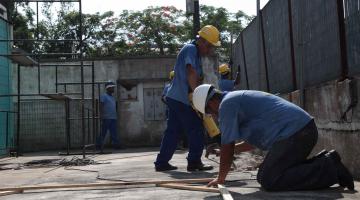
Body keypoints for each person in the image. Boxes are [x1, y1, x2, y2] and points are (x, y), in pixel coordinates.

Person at [192, 84, 354, 191]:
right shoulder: (235, 101)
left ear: (211, 101)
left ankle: (330, 168)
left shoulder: (226, 105)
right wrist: (224, 152)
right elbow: (250, 143)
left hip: (297, 133)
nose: (212, 116)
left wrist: (220, 178)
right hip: (300, 132)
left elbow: (228, 145)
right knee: (264, 176)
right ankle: (327, 161)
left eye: (209, 112)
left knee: (270, 179)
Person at [154, 25, 221, 172]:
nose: (210, 50)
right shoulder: (191, 49)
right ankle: (194, 162)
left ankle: (162, 162)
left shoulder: (194, 52)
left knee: (173, 131)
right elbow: (190, 72)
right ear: (202, 41)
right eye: (210, 46)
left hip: (175, 97)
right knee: (196, 128)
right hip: (182, 98)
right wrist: (197, 96)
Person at [96, 81, 121, 150]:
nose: (113, 89)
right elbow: (101, 105)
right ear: (108, 88)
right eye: (112, 88)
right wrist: (100, 115)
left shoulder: (112, 97)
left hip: (113, 117)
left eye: (113, 88)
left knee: (114, 132)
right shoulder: (104, 96)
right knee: (103, 132)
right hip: (106, 117)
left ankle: (116, 145)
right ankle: (98, 145)